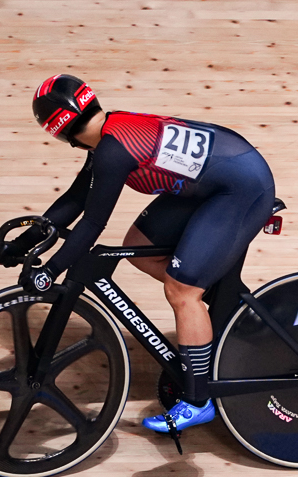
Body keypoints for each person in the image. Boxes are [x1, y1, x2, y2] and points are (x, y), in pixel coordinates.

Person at [28, 75, 280, 435]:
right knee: (139, 247)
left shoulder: (113, 150)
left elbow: (92, 225)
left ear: (58, 130)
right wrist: (28, 239)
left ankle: (197, 401)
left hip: (239, 188)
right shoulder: (108, 135)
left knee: (182, 291)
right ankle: (217, 308)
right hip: (212, 179)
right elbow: (75, 199)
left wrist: (50, 269)